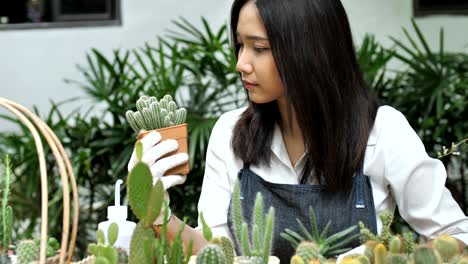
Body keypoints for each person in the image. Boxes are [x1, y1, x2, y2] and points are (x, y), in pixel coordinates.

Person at [127, 0, 468, 262]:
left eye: (259, 48)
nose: (241, 63)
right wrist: (154, 211)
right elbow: (216, 253)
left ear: (308, 51)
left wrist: (382, 257)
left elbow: (459, 234)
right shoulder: (230, 133)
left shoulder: (383, 133)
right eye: (240, 45)